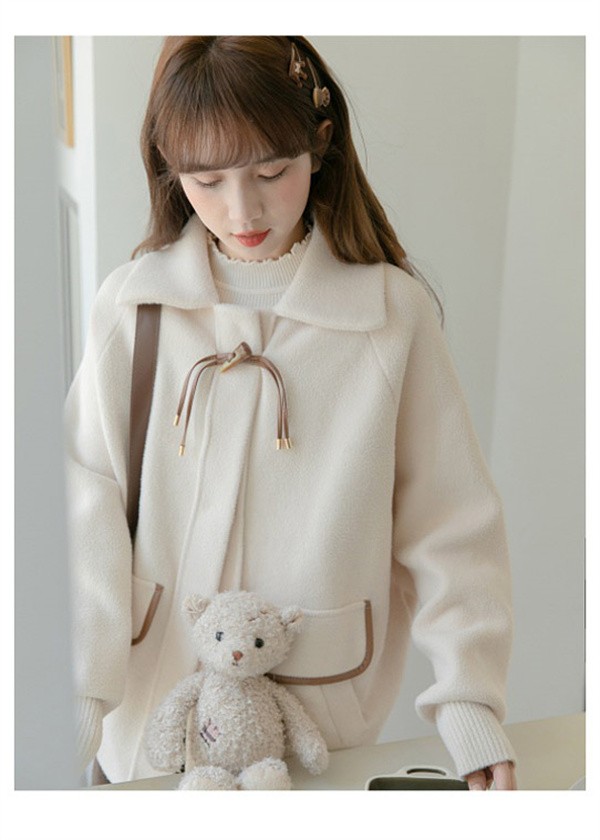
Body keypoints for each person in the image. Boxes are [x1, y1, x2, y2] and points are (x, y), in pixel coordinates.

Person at [65, 36, 517, 790]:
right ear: (172, 170)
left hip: (315, 737)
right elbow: (83, 503)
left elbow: (452, 524)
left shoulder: (389, 317)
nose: (241, 210)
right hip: (143, 725)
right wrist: (77, 693)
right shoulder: (134, 306)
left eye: (271, 172)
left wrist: (470, 703)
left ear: (320, 144)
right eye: (207, 181)